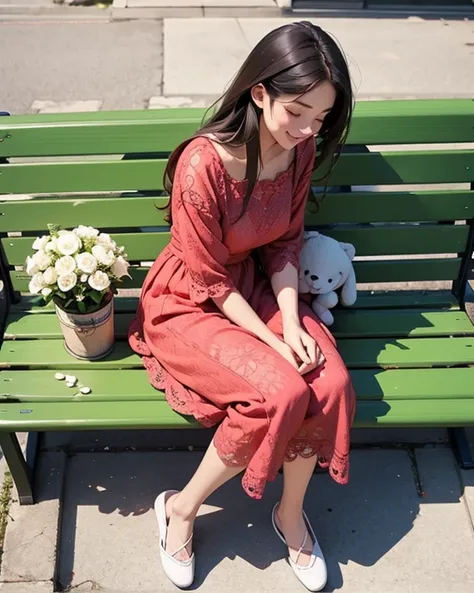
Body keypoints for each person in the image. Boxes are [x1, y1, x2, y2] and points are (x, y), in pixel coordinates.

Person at [129, 20, 355, 592]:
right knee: (277, 389)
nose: (307, 130)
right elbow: (206, 279)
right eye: (297, 111)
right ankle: (180, 509)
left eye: (320, 118)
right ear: (260, 93)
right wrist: (277, 339)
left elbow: (284, 242)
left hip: (255, 288)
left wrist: (291, 314)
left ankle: (289, 514)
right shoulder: (202, 164)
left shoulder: (299, 152)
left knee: (327, 383)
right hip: (189, 302)